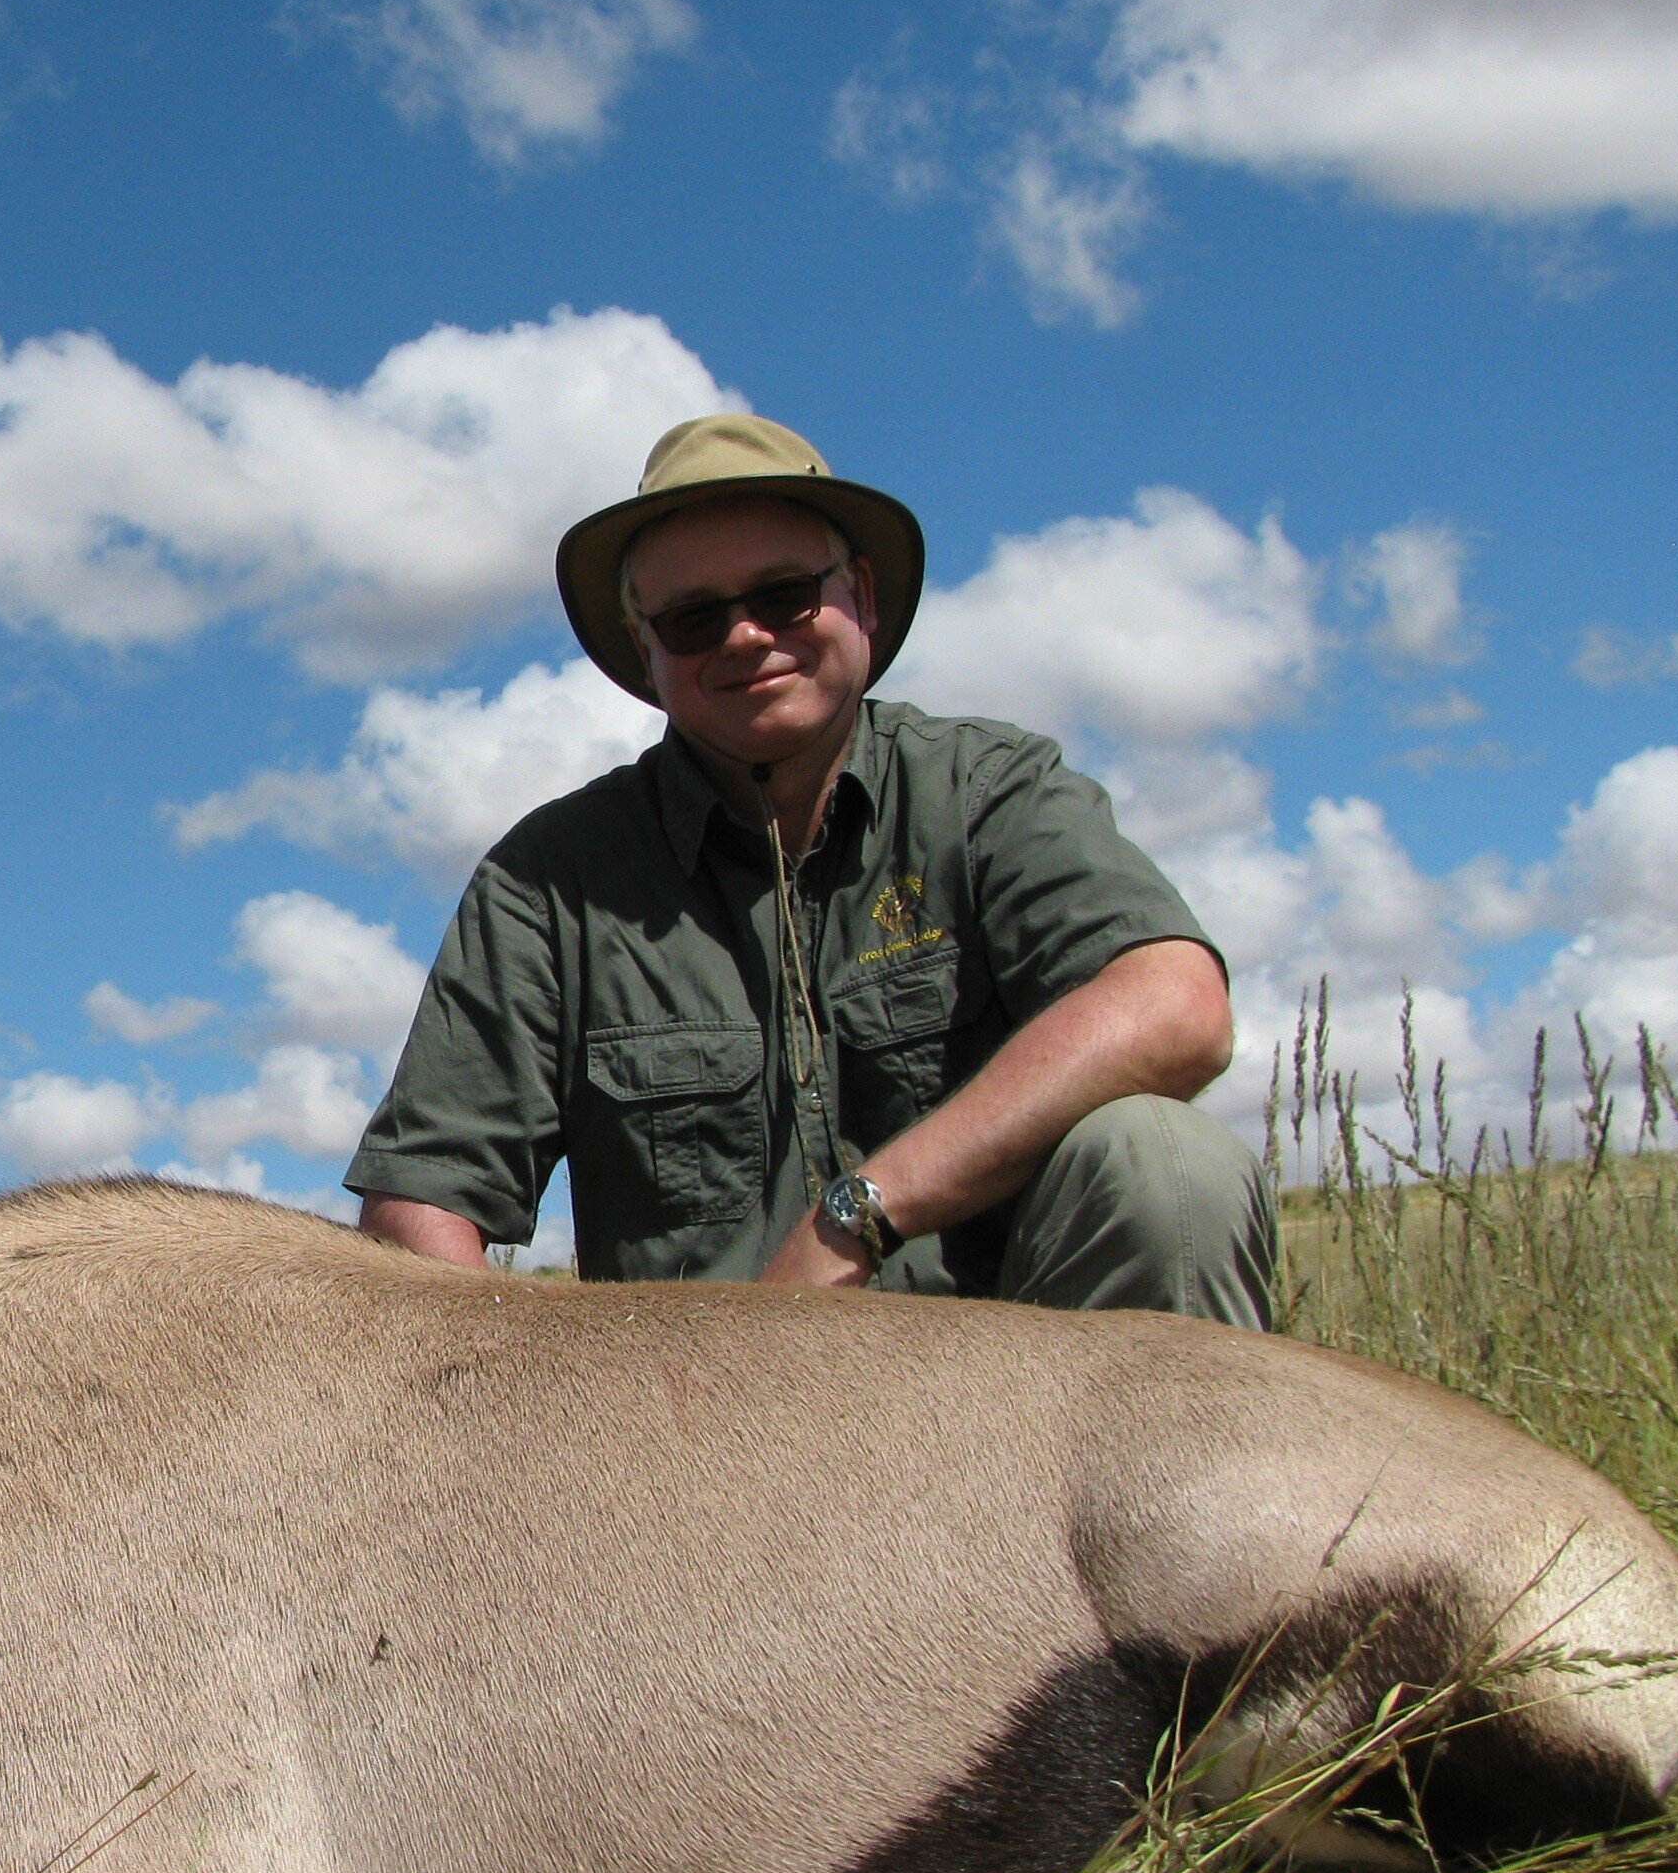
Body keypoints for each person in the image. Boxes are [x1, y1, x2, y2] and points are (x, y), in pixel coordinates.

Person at [347, 412, 1272, 1322]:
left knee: (1167, 1160)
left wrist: (856, 1217)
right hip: (701, 1437)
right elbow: (423, 1197)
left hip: (1021, 1412)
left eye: (785, 594)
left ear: (862, 596)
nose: (744, 637)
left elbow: (1176, 1005)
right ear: (646, 648)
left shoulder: (988, 792)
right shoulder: (548, 883)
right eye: (693, 618)